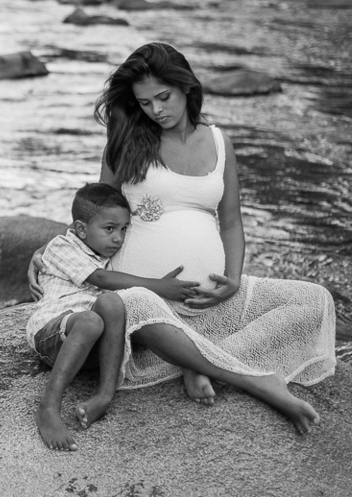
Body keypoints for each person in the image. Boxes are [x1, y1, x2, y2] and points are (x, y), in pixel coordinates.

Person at [94, 41, 336, 433]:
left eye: (163, 97)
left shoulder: (221, 142)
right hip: (147, 301)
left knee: (313, 300)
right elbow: (94, 212)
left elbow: (231, 223)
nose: (156, 110)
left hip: (209, 301)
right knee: (125, 303)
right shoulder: (126, 140)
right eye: (144, 103)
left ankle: (203, 360)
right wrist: (58, 252)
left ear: (186, 87)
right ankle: (253, 378)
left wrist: (233, 281)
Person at [29, 182, 200, 451]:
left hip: (91, 347)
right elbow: (102, 279)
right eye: (109, 229)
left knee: (110, 304)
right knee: (91, 320)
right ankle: (48, 407)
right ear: (81, 229)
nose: (118, 238)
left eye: (123, 230)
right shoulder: (62, 247)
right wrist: (158, 285)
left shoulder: (107, 253)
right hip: (54, 332)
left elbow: (115, 287)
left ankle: (105, 395)